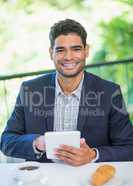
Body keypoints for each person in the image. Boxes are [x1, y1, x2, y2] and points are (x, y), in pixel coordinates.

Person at [0, 19, 133, 166]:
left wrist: (93, 155)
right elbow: (6, 140)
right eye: (60, 50)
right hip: (43, 180)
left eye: (76, 49)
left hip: (89, 179)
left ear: (86, 51)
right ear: (51, 53)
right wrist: (37, 143)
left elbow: (129, 147)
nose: (68, 57)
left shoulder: (110, 92)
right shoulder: (30, 90)